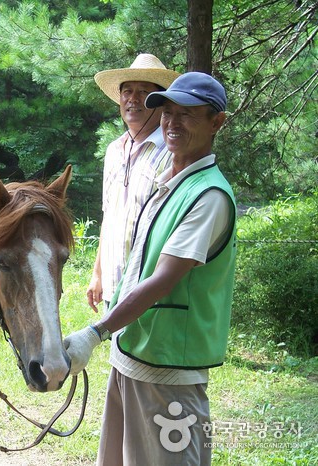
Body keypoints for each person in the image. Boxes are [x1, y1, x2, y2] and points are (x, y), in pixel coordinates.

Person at [65, 72, 236, 466]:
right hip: (133, 351)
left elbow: (162, 280)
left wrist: (94, 333)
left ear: (216, 122)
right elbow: (135, 257)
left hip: (168, 369)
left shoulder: (208, 196)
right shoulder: (169, 180)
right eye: (168, 113)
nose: (173, 123)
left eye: (187, 114)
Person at [88, 54, 180, 312]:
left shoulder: (172, 154)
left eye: (144, 92)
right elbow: (110, 216)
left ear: (160, 101)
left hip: (149, 289)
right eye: (127, 90)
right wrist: (98, 274)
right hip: (112, 285)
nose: (133, 98)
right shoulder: (114, 151)